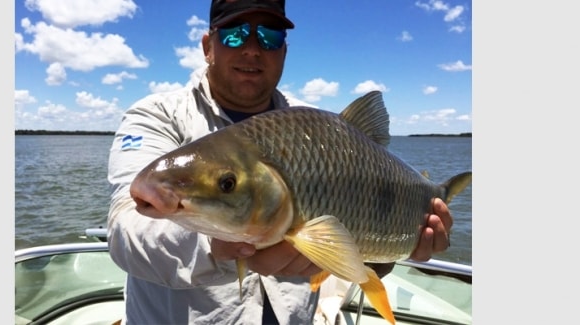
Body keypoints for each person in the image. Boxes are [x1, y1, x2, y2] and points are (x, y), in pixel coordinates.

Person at [106, 1, 454, 324]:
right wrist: (217, 246)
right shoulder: (157, 116)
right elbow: (127, 230)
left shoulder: (317, 124)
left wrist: (394, 248)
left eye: (270, 37)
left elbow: (357, 241)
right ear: (207, 46)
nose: (252, 49)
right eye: (234, 33)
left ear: (284, 51)